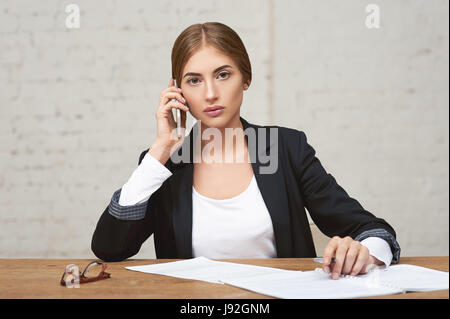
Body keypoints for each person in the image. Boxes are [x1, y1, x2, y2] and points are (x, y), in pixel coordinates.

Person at [91, 22, 400, 280]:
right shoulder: (164, 164)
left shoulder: (286, 149)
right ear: (178, 91)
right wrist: (161, 149)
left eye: (223, 75)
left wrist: (366, 253)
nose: (210, 93)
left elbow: (372, 229)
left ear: (246, 79)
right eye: (194, 80)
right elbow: (109, 249)